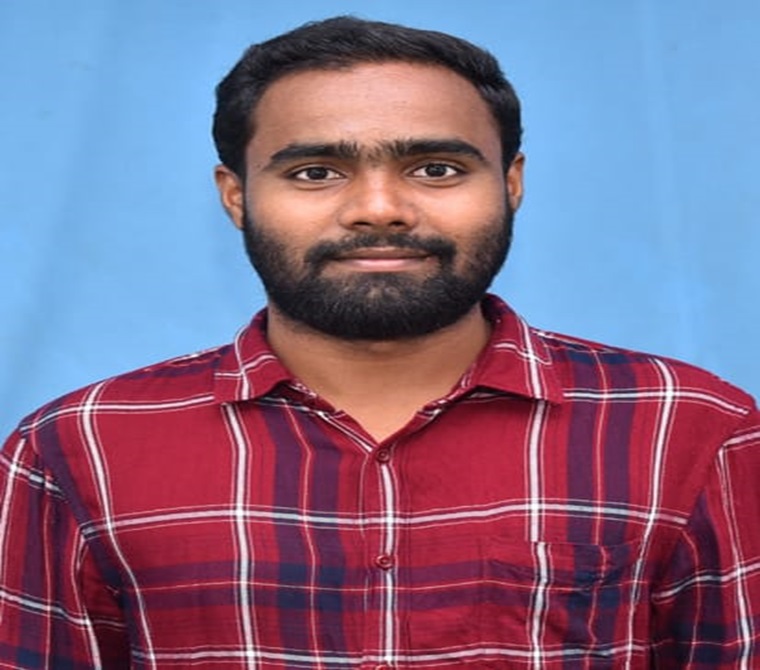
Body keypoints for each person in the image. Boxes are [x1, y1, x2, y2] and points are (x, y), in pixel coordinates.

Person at [1, 15, 758, 669]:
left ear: (511, 183)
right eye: (315, 171)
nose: (379, 209)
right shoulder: (76, 449)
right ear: (236, 196)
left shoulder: (691, 431)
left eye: (435, 168)